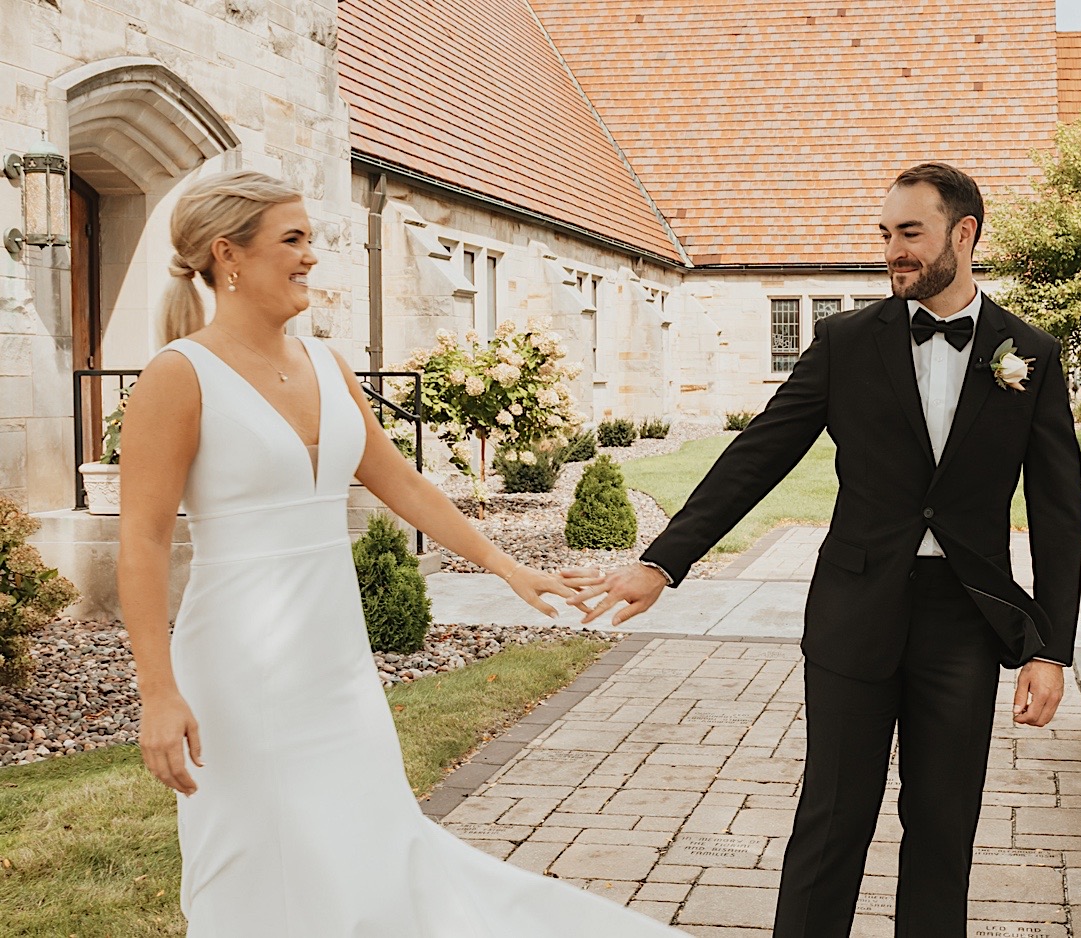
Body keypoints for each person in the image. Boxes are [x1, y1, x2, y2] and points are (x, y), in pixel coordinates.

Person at [117, 170, 682, 937]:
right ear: (229, 256)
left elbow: (406, 486)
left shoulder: (327, 364)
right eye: (293, 240)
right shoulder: (177, 375)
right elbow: (143, 541)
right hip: (235, 664)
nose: (313, 255)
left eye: (310, 239)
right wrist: (158, 692)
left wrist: (509, 568)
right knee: (249, 851)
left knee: (368, 838)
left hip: (333, 653)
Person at [565, 162, 1081, 938]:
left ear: (964, 234)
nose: (893, 250)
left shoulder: (1029, 354)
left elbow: (1057, 512)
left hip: (964, 625)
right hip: (854, 612)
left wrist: (1051, 648)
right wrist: (662, 561)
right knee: (832, 821)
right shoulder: (844, 342)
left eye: (911, 233)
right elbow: (758, 456)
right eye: (886, 234)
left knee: (944, 831)